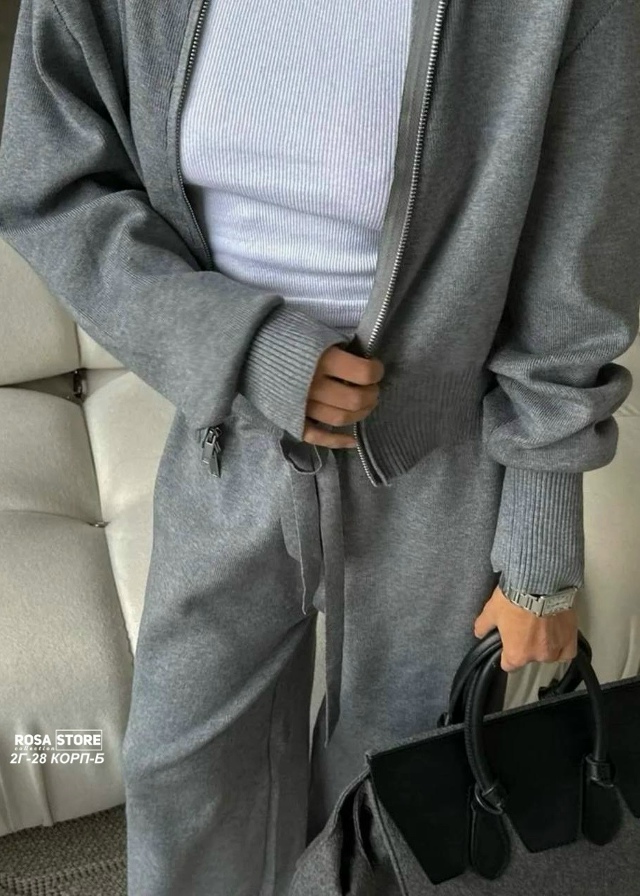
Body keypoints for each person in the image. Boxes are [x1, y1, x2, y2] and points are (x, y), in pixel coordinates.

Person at [0, 1, 638, 894]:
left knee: (396, 796)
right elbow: (52, 178)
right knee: (182, 770)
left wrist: (541, 545)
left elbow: (578, 249)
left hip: (443, 456)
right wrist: (237, 344)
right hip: (229, 437)